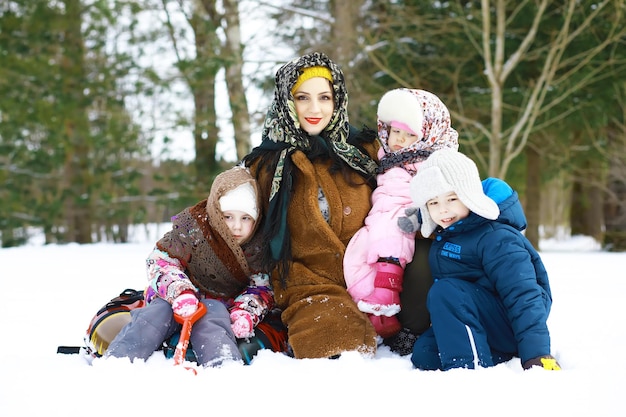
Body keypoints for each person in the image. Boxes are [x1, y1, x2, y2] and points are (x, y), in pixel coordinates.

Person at [241, 52, 381, 359]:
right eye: (303, 97)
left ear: (337, 100)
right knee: (335, 342)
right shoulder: (264, 165)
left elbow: (414, 186)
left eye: (324, 97)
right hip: (310, 285)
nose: (315, 109)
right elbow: (227, 209)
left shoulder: (365, 151)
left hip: (379, 277)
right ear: (287, 102)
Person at [398, 149, 561, 371]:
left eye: (452, 198)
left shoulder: (495, 236)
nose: (443, 209)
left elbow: (523, 294)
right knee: (425, 355)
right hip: (477, 317)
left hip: (510, 321)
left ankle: (468, 370)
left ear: (469, 195)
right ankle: (491, 355)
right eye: (433, 203)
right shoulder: (450, 232)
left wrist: (537, 352)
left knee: (446, 291)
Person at [105, 166, 275, 367]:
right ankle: (119, 360)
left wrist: (245, 312)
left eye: (245, 218)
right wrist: (179, 291)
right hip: (174, 297)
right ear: (216, 211)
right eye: (228, 217)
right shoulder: (194, 230)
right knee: (155, 316)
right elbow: (160, 261)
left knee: (214, 319)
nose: (236, 226)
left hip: (221, 304)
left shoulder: (258, 246)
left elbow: (261, 287)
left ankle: (224, 366)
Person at [343, 88, 458, 339]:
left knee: (408, 254)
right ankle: (375, 312)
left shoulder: (435, 162)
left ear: (426, 134)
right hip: (381, 219)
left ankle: (394, 304)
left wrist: (422, 217)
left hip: (414, 225)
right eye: (395, 131)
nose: (399, 140)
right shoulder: (386, 157)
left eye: (409, 134)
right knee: (358, 256)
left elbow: (449, 201)